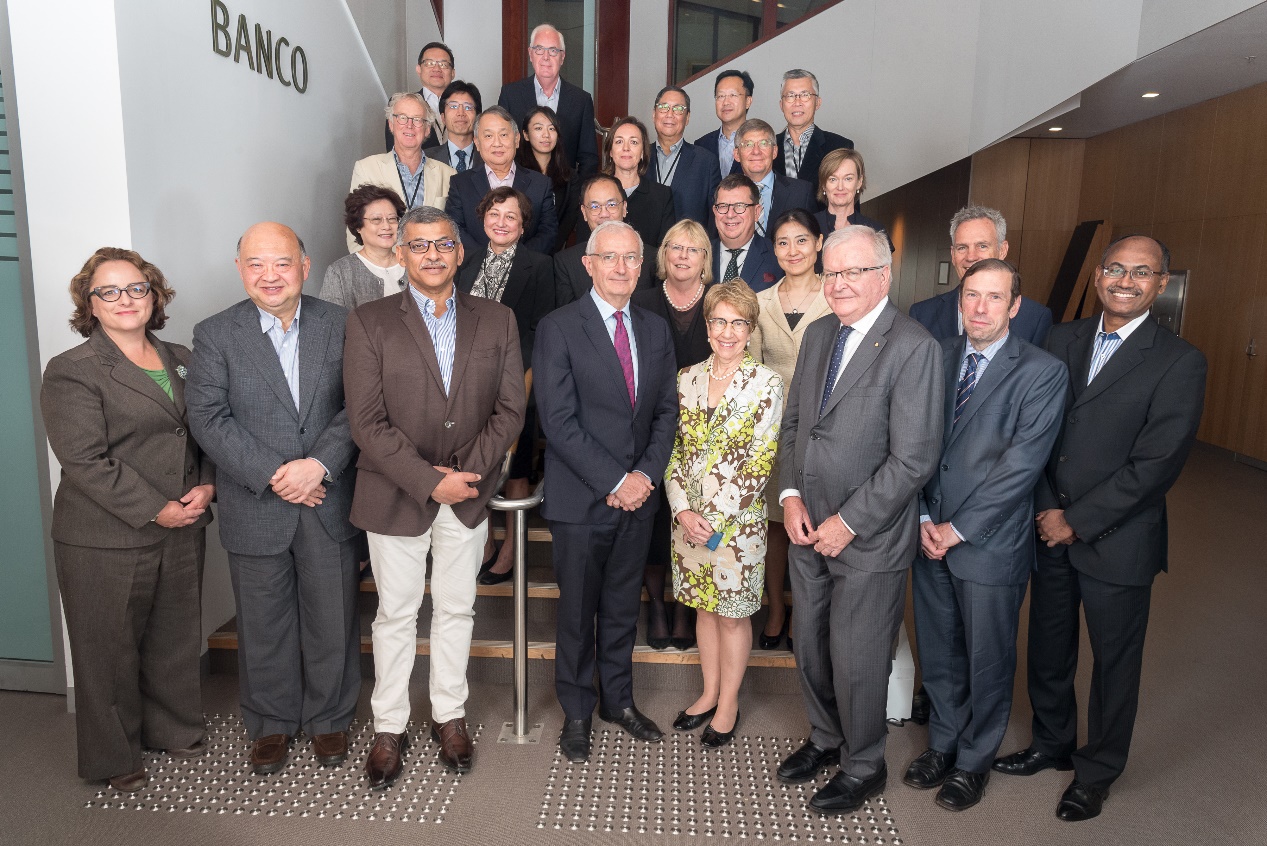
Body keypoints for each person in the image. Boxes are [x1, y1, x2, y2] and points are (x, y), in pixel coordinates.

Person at [994, 235, 1207, 822]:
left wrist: (1077, 521)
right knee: (1049, 646)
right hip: (1048, 524)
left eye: (1142, 272)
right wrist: (1045, 509)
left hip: (1117, 540)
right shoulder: (1063, 338)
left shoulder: (1179, 361)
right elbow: (1032, 429)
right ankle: (1051, 742)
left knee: (1115, 662)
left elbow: (1156, 465)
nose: (1126, 280)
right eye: (1116, 268)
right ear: (1097, 275)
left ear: (1161, 285)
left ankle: (1097, 770)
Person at [344, 205, 526, 785]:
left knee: (456, 608)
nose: (431, 255)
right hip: (395, 493)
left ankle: (449, 714)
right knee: (395, 614)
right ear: (400, 254)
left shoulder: (497, 319)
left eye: (442, 244)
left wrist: (463, 478)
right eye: (418, 246)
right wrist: (429, 480)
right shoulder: (369, 322)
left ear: (460, 251)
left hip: (467, 495)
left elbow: (510, 410)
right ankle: (388, 726)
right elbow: (366, 424)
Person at [775, 225, 942, 814]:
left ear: (883, 277)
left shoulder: (914, 346)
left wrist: (848, 521)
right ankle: (825, 739)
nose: (840, 284)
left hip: (866, 536)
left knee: (858, 657)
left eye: (854, 272)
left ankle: (864, 763)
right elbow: (795, 424)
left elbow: (913, 458)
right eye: (833, 272)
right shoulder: (821, 333)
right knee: (811, 647)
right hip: (805, 526)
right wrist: (790, 495)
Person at [186, 223, 360, 776]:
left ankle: (331, 718)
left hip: (326, 499)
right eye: (256, 264)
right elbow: (208, 418)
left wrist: (319, 466)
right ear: (240, 269)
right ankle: (271, 724)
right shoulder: (215, 334)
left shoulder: (341, 324)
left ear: (305, 268)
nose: (269, 275)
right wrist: (276, 474)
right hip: (256, 503)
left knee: (332, 616)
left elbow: (359, 406)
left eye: (281, 263)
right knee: (263, 623)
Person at [40, 248, 215, 794]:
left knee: (174, 634)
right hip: (105, 534)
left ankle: (173, 728)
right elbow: (86, 460)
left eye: (136, 288)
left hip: (184, 521)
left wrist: (208, 484)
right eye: (109, 292)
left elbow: (209, 429)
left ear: (154, 295)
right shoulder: (73, 370)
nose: (125, 300)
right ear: (89, 304)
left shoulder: (183, 357)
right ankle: (112, 753)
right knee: (107, 648)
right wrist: (156, 507)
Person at [905, 259, 1067, 812]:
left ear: (1015, 306)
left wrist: (958, 529)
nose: (979, 308)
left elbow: (1021, 469)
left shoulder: (1042, 372)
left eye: (994, 298)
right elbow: (916, 446)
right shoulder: (939, 356)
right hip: (929, 534)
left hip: (988, 543)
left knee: (987, 658)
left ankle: (974, 762)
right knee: (940, 652)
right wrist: (926, 519)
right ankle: (944, 744)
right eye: (971, 295)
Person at [534, 220, 679, 764]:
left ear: (642, 267)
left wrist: (644, 477)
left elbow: (667, 411)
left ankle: (617, 701)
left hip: (639, 499)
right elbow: (558, 419)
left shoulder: (655, 328)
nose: (621, 267)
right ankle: (575, 710)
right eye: (610, 257)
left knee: (622, 608)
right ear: (588, 264)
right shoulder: (559, 327)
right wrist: (616, 480)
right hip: (581, 499)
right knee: (576, 612)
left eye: (631, 259)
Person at [665, 280, 783, 748]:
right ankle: (708, 691)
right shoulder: (686, 377)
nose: (727, 331)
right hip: (687, 521)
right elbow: (675, 451)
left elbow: (761, 459)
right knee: (703, 609)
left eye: (738, 323)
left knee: (732, 616)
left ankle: (729, 702)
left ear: (751, 329)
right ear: (707, 326)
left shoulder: (766, 383)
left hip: (736, 527)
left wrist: (712, 518)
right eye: (719, 321)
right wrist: (682, 509)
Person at [456, 187, 555, 585]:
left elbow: (539, 329)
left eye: (510, 216)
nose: (501, 222)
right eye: (494, 214)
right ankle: (483, 545)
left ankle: (511, 550)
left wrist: (513, 378)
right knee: (474, 463)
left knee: (515, 469)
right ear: (483, 219)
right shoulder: (465, 262)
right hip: (465, 385)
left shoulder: (540, 265)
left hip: (519, 382)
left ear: (522, 225)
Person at [631, 220, 716, 650]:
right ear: (663, 256)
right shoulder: (641, 301)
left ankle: (686, 609)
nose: (683, 255)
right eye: (674, 248)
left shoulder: (718, 303)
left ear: (705, 259)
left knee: (693, 517)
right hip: (649, 428)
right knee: (652, 521)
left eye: (693, 249)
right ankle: (658, 607)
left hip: (705, 435)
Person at [748, 209, 830, 653]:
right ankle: (776, 608)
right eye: (782, 242)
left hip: (826, 427)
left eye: (802, 240)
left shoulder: (836, 296)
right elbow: (755, 370)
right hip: (775, 430)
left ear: (819, 243)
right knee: (776, 527)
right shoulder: (760, 302)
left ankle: (805, 608)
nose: (792, 250)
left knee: (815, 518)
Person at [910, 205, 1052, 346]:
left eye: (982, 246)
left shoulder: (1036, 318)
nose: (971, 257)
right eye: (962, 248)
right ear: (953, 255)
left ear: (1002, 250)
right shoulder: (922, 314)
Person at [445, 106, 558, 255]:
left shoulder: (540, 184)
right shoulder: (460, 183)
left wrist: (513, 260)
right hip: (473, 270)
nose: (497, 143)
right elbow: (454, 228)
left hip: (525, 270)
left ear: (517, 140)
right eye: (488, 136)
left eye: (504, 135)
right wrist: (488, 260)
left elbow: (548, 233)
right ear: (477, 143)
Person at [351, 92, 457, 251]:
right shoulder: (366, 169)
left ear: (427, 129)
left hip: (431, 267)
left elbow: (453, 233)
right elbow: (354, 231)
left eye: (417, 120)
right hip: (382, 269)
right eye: (402, 118)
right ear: (391, 124)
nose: (409, 125)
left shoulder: (448, 174)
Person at [498, 23, 599, 177]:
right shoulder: (510, 94)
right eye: (539, 50)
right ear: (530, 54)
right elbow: (502, 146)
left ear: (562, 57)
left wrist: (578, 193)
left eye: (553, 51)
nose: (546, 57)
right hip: (520, 190)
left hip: (566, 192)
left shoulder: (581, 100)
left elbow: (589, 158)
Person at [554, 174, 655, 305]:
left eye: (611, 204)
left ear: (624, 208)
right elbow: (566, 318)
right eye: (595, 206)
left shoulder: (652, 258)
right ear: (584, 212)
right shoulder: (566, 262)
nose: (604, 214)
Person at [595, 116, 676, 251]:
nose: (626, 148)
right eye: (619, 141)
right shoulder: (594, 192)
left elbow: (665, 250)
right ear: (610, 151)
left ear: (643, 152)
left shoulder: (662, 196)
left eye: (633, 142)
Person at [320, 184, 407, 309]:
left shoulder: (413, 262)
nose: (386, 226)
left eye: (392, 219)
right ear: (358, 226)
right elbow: (331, 325)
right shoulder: (340, 272)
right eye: (376, 219)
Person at [651, 85, 721, 227]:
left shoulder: (706, 162)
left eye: (678, 109)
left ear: (687, 117)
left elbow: (715, 218)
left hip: (688, 247)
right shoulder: (638, 157)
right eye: (664, 107)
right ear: (654, 114)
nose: (670, 114)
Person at [733, 118, 815, 237]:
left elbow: (812, 241)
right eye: (748, 144)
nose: (756, 151)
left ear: (775, 151)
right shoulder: (724, 195)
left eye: (764, 143)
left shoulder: (802, 192)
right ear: (736, 154)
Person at [516, 105, 580, 253]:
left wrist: (550, 247)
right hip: (520, 252)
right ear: (525, 135)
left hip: (555, 252)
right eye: (538, 128)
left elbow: (569, 219)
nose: (546, 135)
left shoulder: (570, 176)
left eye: (552, 129)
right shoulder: (516, 172)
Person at [773, 69, 853, 186]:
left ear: (817, 103)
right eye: (790, 96)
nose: (797, 102)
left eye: (805, 95)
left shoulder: (840, 146)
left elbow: (848, 201)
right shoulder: (767, 147)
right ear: (781, 105)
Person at [711, 173, 781, 292]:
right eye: (723, 206)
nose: (730, 214)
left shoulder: (777, 255)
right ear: (714, 211)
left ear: (757, 212)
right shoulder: (700, 254)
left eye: (739, 206)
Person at [382, 42, 453, 151]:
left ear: (453, 73)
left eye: (443, 64)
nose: (437, 69)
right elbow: (395, 151)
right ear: (418, 69)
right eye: (430, 63)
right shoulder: (401, 104)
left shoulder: (465, 105)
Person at [813, 148, 887, 237]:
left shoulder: (876, 231)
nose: (840, 187)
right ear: (824, 185)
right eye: (833, 179)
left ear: (859, 182)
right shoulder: (807, 226)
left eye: (848, 179)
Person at [694, 69, 751, 179]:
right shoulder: (701, 145)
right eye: (720, 96)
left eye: (733, 95)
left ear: (748, 101)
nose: (726, 102)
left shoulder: (760, 144)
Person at [425, 80, 482, 172]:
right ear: (443, 118)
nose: (461, 113)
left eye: (468, 107)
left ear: (478, 118)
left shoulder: (489, 156)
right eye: (453, 106)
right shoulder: (426, 158)